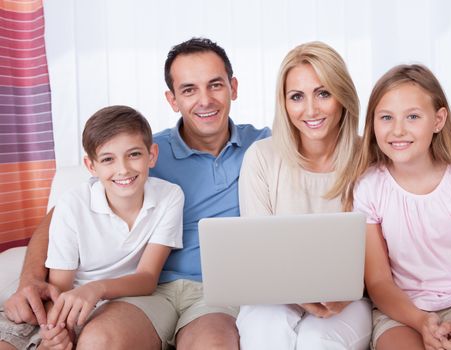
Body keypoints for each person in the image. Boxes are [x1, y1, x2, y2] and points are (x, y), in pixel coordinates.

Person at [2, 38, 270, 349]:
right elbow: (59, 218)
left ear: (233, 87)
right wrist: (31, 281)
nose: (205, 100)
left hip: (215, 294)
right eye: (188, 90)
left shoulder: (266, 147)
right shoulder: (137, 155)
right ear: (172, 100)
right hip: (148, 290)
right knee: (99, 341)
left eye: (215, 85)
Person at [335, 64, 451, 350]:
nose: (397, 130)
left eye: (413, 116)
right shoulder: (369, 188)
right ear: (373, 123)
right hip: (403, 312)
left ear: (438, 120)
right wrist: (420, 321)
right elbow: (379, 282)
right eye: (386, 117)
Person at [0, 105, 184, 350]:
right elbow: (60, 288)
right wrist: (54, 335)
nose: (123, 169)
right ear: (91, 166)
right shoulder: (73, 204)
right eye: (108, 159)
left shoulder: (169, 196)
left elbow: (148, 278)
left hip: (114, 302)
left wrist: (96, 289)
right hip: (64, 302)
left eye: (134, 155)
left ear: (152, 155)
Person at [235, 41, 372, 350]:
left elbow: (384, 251)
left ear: (343, 96)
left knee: (318, 341)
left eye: (323, 93)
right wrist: (294, 293)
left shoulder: (370, 157)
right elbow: (259, 251)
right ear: (284, 103)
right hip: (273, 293)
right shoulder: (262, 157)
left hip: (348, 297)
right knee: (265, 332)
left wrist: (346, 294)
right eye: (297, 97)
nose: (310, 110)